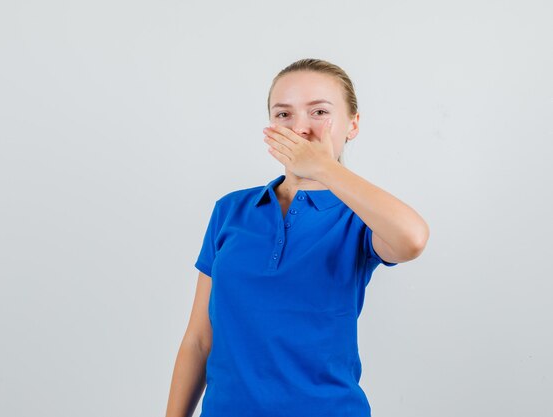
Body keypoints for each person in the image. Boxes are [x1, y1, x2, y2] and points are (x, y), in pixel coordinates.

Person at [165, 58, 430, 417]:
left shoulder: (360, 217)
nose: (300, 128)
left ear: (353, 124)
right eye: (284, 114)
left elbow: (412, 238)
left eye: (319, 111)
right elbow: (198, 341)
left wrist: (323, 166)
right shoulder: (231, 211)